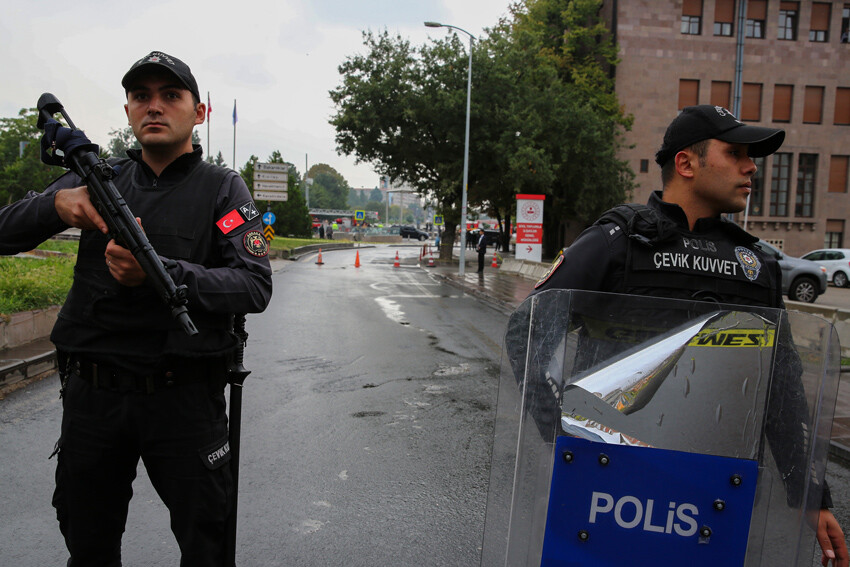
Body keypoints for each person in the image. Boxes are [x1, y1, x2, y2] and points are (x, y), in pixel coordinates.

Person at [531, 104, 847, 566]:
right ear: (686, 163)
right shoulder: (618, 242)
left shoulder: (754, 266)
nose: (750, 166)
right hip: (608, 484)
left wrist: (811, 494)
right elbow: (531, 327)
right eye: (735, 152)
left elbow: (780, 386)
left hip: (711, 490)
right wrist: (561, 431)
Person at [0, 51, 273, 566]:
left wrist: (163, 274)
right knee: (88, 544)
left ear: (198, 112)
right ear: (127, 110)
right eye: (141, 96)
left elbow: (253, 285)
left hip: (184, 399)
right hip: (93, 397)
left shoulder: (223, 188)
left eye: (171, 96)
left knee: (206, 544)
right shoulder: (95, 179)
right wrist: (55, 206)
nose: (154, 106)